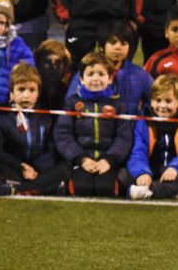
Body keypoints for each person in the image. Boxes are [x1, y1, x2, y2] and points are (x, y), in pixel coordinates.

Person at [55, 50, 130, 197]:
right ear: (81, 79)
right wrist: (81, 159)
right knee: (81, 188)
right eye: (90, 74)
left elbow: (124, 137)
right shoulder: (72, 103)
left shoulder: (119, 106)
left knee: (105, 190)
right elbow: (63, 134)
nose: (96, 79)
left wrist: (109, 159)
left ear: (110, 78)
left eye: (101, 74)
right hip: (81, 160)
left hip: (107, 161)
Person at [0, 63, 69, 196]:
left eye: (32, 90)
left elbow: (53, 149)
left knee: (65, 168)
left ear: (38, 93)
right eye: (21, 89)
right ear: (11, 93)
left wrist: (37, 168)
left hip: (39, 170)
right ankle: (41, 188)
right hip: (14, 168)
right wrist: (21, 167)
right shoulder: (0, 118)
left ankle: (20, 189)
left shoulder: (46, 117)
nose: (26, 95)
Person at [122, 73, 178, 200]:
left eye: (168, 101)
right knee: (123, 175)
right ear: (151, 101)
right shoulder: (143, 121)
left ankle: (150, 191)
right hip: (151, 169)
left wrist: (175, 167)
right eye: (158, 100)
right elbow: (138, 150)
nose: (162, 106)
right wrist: (142, 172)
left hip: (177, 171)